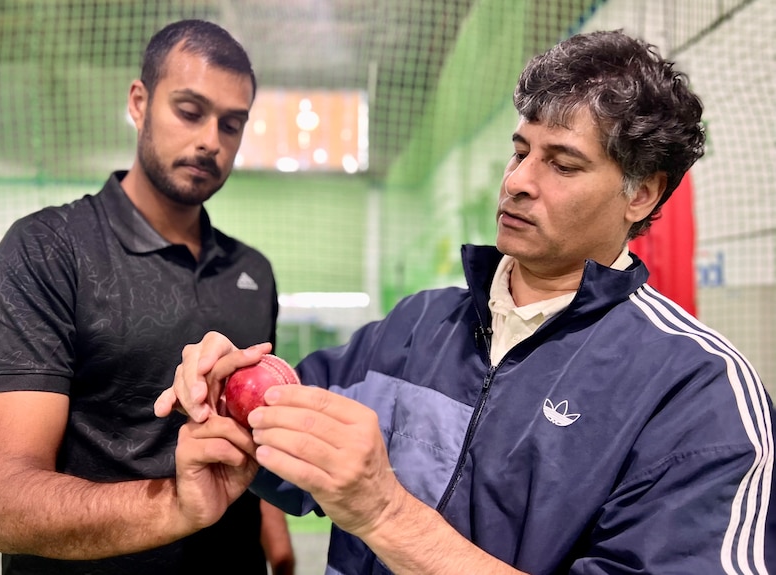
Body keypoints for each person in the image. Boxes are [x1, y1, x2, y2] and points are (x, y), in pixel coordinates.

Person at [157, 29, 776, 574]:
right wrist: (232, 390)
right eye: (520, 151)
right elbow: (297, 434)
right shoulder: (419, 324)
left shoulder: (699, 396)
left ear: (640, 196)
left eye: (561, 164)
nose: (517, 182)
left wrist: (384, 513)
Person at [0, 19, 295, 575]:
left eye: (232, 124)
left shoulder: (253, 271)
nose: (211, 140)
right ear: (139, 102)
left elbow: (245, 422)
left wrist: (274, 534)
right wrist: (175, 506)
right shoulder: (47, 250)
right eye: (190, 112)